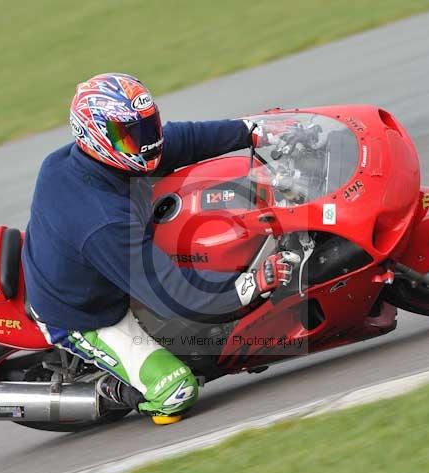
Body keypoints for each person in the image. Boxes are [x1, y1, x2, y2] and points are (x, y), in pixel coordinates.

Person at [22, 73, 298, 425]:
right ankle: (112, 390)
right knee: (176, 392)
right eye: (129, 134)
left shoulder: (97, 159)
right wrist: (253, 283)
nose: (146, 142)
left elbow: (183, 139)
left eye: (147, 126)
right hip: (85, 314)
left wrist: (252, 130)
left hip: (101, 261)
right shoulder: (101, 220)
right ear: (93, 135)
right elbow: (174, 293)